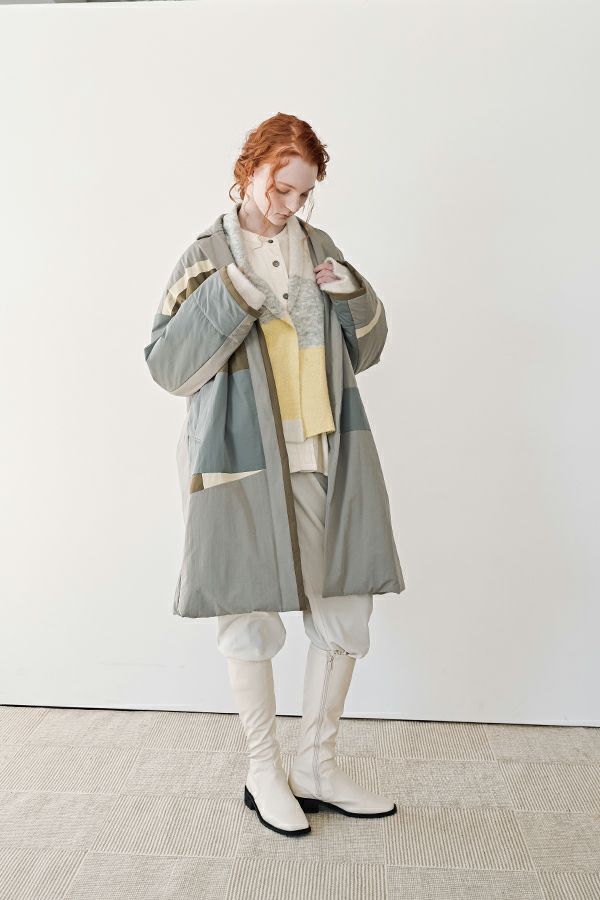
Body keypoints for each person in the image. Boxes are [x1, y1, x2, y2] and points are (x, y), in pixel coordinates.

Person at [144, 112, 405, 838]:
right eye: (279, 187)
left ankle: (316, 765)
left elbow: (368, 349)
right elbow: (168, 367)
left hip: (322, 446)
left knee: (345, 603)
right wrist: (232, 294)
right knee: (248, 609)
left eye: (303, 193)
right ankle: (264, 771)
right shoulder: (205, 256)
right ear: (249, 169)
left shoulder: (319, 248)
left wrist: (352, 291)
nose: (290, 204)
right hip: (239, 457)